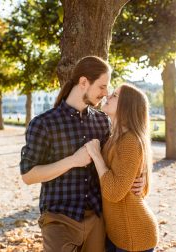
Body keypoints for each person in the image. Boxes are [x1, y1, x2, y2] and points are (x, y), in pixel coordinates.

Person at [19, 56, 144, 252]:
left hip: (97, 218)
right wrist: (72, 161)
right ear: (84, 82)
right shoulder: (43, 123)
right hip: (59, 218)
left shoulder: (103, 121)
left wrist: (140, 182)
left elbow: (116, 163)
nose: (105, 93)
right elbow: (28, 176)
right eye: (102, 87)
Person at [85, 84, 159, 252]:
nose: (108, 97)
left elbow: (114, 192)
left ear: (127, 106)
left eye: (115, 96)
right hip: (117, 234)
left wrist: (96, 156)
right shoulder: (114, 138)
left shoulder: (130, 141)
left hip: (134, 236)